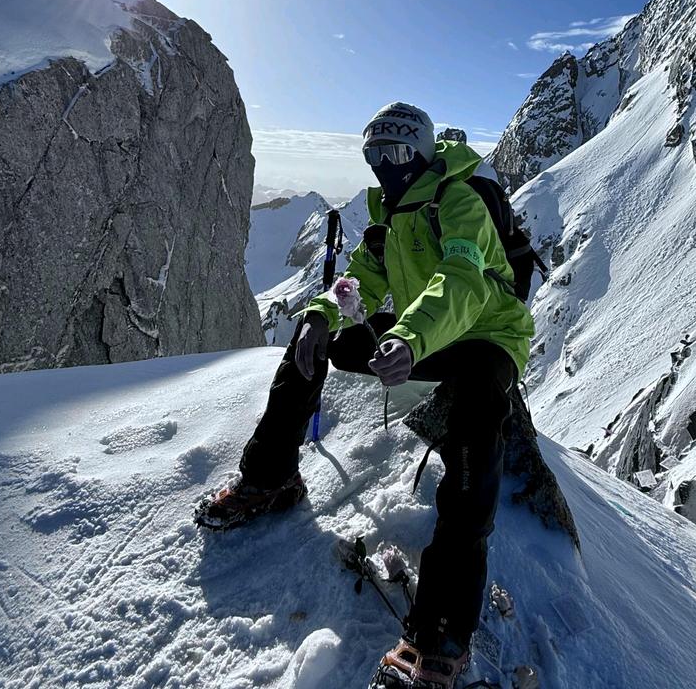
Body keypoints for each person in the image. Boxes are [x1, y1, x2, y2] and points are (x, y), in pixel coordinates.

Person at [202, 102, 534, 687]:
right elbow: (358, 277)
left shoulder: (459, 200)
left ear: (424, 152)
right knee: (313, 343)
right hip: (421, 331)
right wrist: (321, 314)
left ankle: (443, 626)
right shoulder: (389, 217)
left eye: (398, 153)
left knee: (479, 412)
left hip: (485, 332)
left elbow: (461, 279)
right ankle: (270, 473)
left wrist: (407, 336)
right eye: (374, 154)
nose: (386, 165)